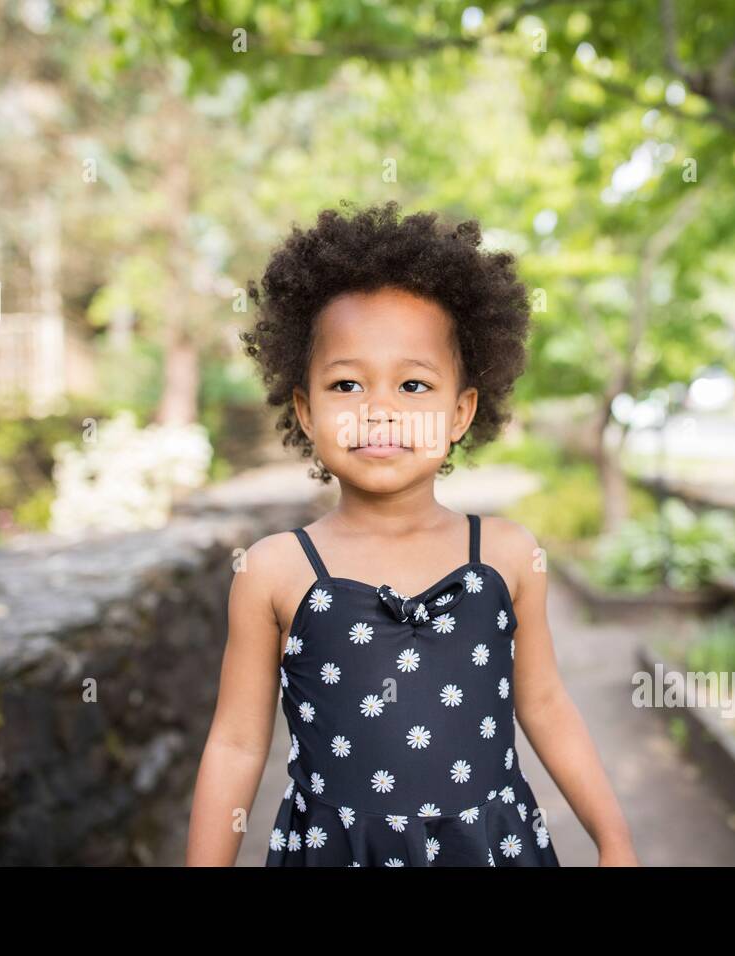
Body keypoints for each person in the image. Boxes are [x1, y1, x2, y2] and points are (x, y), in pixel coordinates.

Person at [186, 199, 638, 867]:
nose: (379, 410)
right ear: (306, 411)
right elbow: (236, 743)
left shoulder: (509, 556)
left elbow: (543, 702)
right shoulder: (275, 572)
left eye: (414, 385)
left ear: (461, 412)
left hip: (488, 850)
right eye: (346, 384)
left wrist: (613, 837)